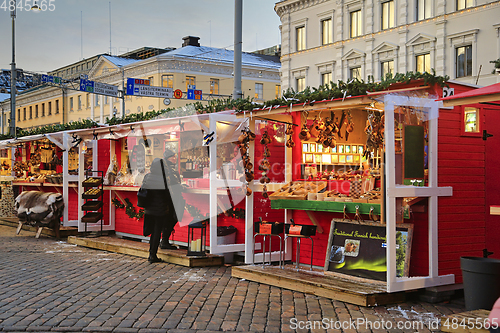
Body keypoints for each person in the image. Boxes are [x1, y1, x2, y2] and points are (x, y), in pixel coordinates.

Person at [141, 157, 172, 263]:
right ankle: (152, 255)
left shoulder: (147, 176)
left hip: (149, 209)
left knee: (152, 231)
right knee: (157, 232)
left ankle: (151, 254)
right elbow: (168, 195)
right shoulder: (164, 178)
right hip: (160, 209)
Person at [159, 149, 185, 249]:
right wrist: (181, 187)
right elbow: (174, 183)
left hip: (168, 197)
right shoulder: (170, 168)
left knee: (169, 218)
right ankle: (164, 241)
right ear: (168, 158)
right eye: (172, 157)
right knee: (172, 218)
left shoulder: (165, 167)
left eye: (175, 156)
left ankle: (164, 240)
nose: (174, 158)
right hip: (172, 197)